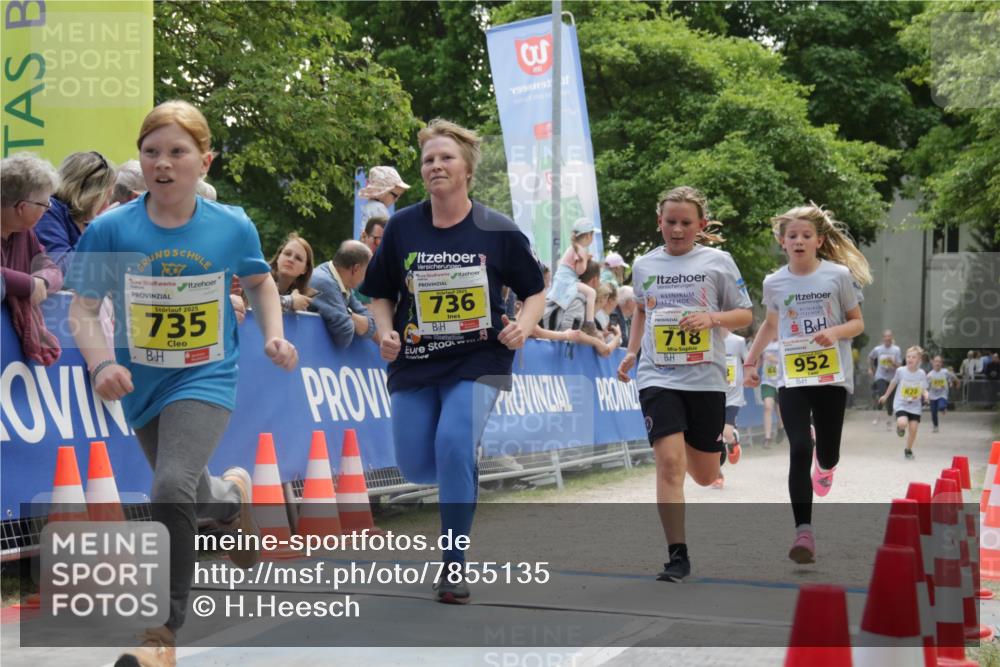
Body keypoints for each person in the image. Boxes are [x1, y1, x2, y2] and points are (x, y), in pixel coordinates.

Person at [66, 100, 298, 666]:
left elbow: (260, 282)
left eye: (177, 152)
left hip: (207, 373)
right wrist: (101, 365)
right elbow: (83, 309)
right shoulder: (111, 229)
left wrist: (273, 334)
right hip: (142, 382)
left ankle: (161, 633)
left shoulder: (230, 225)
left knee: (170, 486)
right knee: (188, 490)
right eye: (151, 152)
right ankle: (230, 500)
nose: (162, 163)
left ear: (205, 161)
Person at [359, 119, 545, 604]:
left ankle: (453, 565)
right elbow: (379, 293)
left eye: (446, 158)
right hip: (417, 359)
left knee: (453, 440)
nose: (436, 166)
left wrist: (523, 326)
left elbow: (535, 290)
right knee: (418, 464)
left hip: (480, 356)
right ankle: (463, 467)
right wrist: (385, 331)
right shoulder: (402, 227)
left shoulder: (497, 229)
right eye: (428, 160)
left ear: (467, 169)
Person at [617, 185, 753, 582]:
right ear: (659, 222)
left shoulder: (718, 262)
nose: (677, 230)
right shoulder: (644, 264)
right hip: (657, 375)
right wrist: (632, 351)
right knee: (670, 463)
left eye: (686, 223)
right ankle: (677, 555)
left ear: (701, 224)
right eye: (670, 222)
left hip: (705, 378)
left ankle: (718, 448)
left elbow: (745, 314)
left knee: (705, 475)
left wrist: (712, 319)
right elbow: (642, 312)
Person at [744, 203, 870, 565]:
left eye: (806, 235)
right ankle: (804, 532)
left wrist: (835, 332)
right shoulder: (774, 282)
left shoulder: (838, 276)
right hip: (793, 377)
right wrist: (750, 361)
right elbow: (771, 325)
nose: (799, 241)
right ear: (782, 242)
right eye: (792, 236)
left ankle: (825, 466)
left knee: (828, 453)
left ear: (819, 241)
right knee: (799, 447)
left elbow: (857, 323)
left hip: (831, 377)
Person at [1, 153, 64, 365]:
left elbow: (52, 269)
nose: (47, 210)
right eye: (45, 204)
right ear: (22, 207)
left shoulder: (25, 233)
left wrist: (41, 282)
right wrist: (29, 284)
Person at [35, 150, 117, 274]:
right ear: (89, 193)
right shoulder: (48, 210)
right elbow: (61, 269)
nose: (107, 205)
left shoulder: (84, 219)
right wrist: (99, 227)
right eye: (105, 197)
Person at [310, 240, 377, 348]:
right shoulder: (324, 282)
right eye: (367, 272)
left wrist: (347, 313)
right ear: (355, 269)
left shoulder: (345, 285)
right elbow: (344, 336)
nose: (366, 278)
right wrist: (351, 315)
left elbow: (372, 327)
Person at [547, 218, 598, 336]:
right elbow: (580, 270)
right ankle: (590, 324)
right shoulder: (580, 250)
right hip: (568, 281)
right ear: (588, 235)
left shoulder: (574, 247)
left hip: (563, 279)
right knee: (591, 293)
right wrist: (585, 259)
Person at [879, 346, 929, 459]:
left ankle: (908, 450)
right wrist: (886, 396)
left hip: (915, 406)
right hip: (901, 403)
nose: (910, 359)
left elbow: (924, 388)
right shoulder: (900, 371)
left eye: (913, 357)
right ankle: (900, 427)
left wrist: (926, 395)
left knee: (913, 429)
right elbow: (893, 383)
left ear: (919, 359)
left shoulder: (921, 373)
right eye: (908, 357)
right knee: (902, 423)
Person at [713, 328, 747, 489]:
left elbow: (749, 362)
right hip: (713, 395)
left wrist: (749, 373)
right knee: (713, 438)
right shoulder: (708, 341)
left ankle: (732, 440)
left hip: (733, 396)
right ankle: (717, 475)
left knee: (725, 434)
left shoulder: (738, 342)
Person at [269, 232, 317, 313]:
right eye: (287, 254)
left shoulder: (302, 297)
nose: (291, 259)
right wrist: (289, 301)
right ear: (278, 257)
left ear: (305, 270)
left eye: (298, 258)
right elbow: (255, 304)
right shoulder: (260, 276)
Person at [359, 165, 409, 234]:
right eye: (395, 196)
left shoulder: (371, 206)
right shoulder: (379, 209)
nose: (396, 200)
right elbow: (389, 235)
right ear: (383, 191)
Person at [868, 329, 902, 429]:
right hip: (880, 376)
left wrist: (893, 363)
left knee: (890, 400)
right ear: (883, 338)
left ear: (892, 338)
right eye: (886, 336)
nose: (887, 338)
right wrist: (870, 369)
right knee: (882, 394)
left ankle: (889, 419)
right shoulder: (878, 349)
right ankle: (878, 416)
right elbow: (870, 357)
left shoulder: (896, 350)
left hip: (892, 378)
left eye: (889, 336)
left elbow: (899, 366)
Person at [758, 340, 785, 448]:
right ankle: (767, 437)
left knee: (780, 409)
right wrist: (753, 370)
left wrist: (775, 359)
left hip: (781, 380)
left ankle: (781, 427)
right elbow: (759, 359)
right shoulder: (763, 341)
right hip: (767, 381)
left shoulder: (783, 340)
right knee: (767, 407)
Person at [926, 354, 958, 433]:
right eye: (936, 361)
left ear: (941, 363)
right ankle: (935, 426)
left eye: (939, 362)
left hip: (942, 394)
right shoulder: (930, 375)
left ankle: (943, 408)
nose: (937, 363)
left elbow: (953, 376)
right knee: (933, 412)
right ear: (933, 363)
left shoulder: (945, 372)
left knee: (941, 406)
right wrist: (926, 395)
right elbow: (926, 386)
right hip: (933, 395)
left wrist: (957, 381)